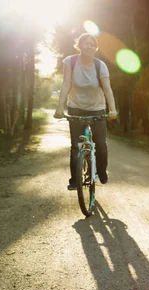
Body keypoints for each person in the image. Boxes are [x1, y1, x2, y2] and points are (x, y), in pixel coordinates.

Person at [54, 33, 117, 190]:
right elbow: (65, 85)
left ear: (96, 48)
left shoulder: (100, 65)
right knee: (76, 146)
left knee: (101, 144)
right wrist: (60, 107)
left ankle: (101, 170)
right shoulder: (71, 62)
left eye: (92, 44)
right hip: (76, 107)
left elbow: (108, 89)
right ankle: (75, 180)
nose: (89, 46)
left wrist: (113, 109)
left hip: (97, 108)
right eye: (85, 43)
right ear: (79, 46)